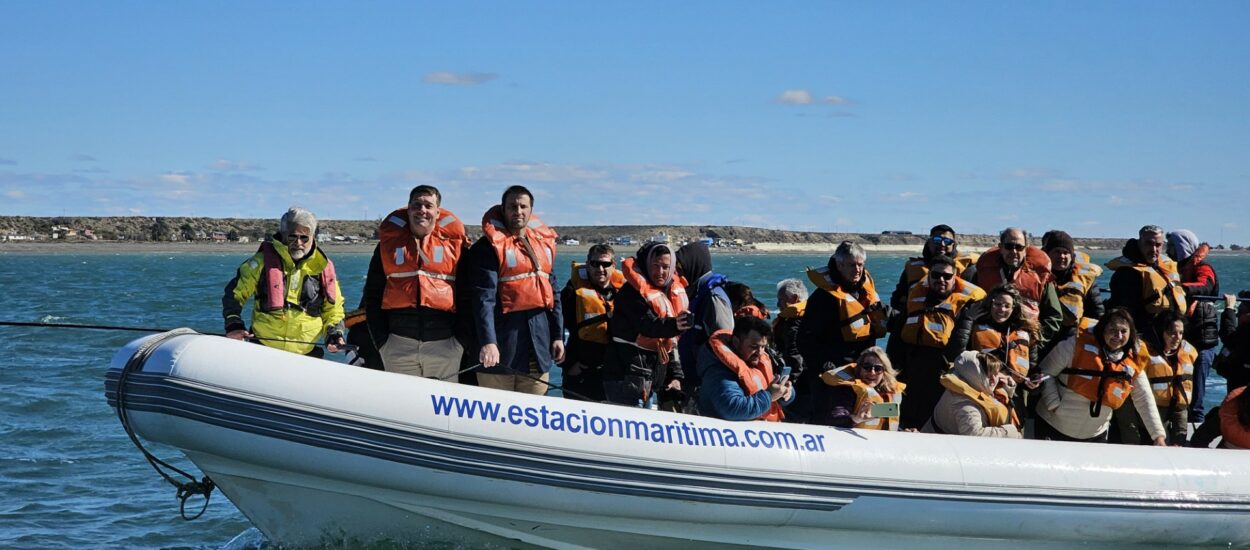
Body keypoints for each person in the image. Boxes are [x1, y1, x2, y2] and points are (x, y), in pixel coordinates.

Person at [362, 185, 467, 380]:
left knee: (440, 408)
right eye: (417, 205)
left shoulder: (456, 247)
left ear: (438, 211)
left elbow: (468, 294)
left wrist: (460, 342)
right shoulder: (387, 246)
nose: (422, 211)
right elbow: (372, 293)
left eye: (428, 205)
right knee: (399, 407)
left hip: (444, 347)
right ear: (408, 209)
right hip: (398, 346)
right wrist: (382, 342)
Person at [469, 185, 564, 394]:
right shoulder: (486, 248)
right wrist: (488, 342)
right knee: (494, 418)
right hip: (499, 353)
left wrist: (557, 336)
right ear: (503, 209)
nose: (518, 211)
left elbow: (553, 293)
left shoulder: (542, 246)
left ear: (531, 210)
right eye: (512, 206)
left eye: (523, 206)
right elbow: (483, 299)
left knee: (535, 418)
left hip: (537, 352)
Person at [223, 207, 345, 357]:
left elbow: (334, 309)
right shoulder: (261, 262)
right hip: (263, 349)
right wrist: (233, 324)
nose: (298, 242)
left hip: (306, 354)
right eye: (292, 237)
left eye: (304, 238)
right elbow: (235, 294)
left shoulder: (324, 269)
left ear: (312, 237)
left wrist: (334, 334)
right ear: (283, 235)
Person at [1034, 308, 1167, 445]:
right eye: (1112, 330)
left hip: (1095, 435)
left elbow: (1144, 398)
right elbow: (1045, 372)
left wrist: (1158, 436)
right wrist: (1054, 404)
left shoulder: (1133, 362)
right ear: (1102, 329)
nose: (1118, 336)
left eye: (1123, 331)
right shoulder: (1073, 346)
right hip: (1053, 426)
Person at [889, 254, 986, 430]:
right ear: (929, 276)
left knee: (935, 422)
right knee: (902, 417)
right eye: (935, 275)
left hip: (942, 372)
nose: (941, 279)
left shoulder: (968, 306)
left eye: (947, 276)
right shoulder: (915, 298)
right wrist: (890, 369)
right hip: (911, 370)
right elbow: (896, 337)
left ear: (955, 277)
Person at [797, 241, 890, 424]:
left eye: (860, 265)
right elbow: (804, 340)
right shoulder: (823, 297)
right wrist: (823, 364)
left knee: (866, 413)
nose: (857, 270)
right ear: (839, 265)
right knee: (830, 417)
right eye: (851, 265)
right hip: (832, 373)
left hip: (862, 369)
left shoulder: (866, 292)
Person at [603, 242, 690, 406]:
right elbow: (648, 325)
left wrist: (676, 376)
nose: (660, 272)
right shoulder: (631, 293)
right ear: (646, 264)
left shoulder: (666, 295)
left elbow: (670, 342)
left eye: (665, 267)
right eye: (655, 265)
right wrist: (676, 325)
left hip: (647, 381)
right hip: (625, 380)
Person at [1114, 309, 1197, 445]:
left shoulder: (1184, 356)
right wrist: (1131, 439)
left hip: (1166, 423)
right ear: (1160, 331)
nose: (1177, 338)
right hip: (1141, 424)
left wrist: (1179, 442)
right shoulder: (1141, 355)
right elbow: (1125, 403)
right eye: (1172, 333)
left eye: (1180, 333)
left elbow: (1181, 405)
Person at [1166, 229, 1221, 424]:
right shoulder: (1174, 269)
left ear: (1181, 247)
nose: (1168, 249)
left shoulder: (1203, 268)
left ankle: (1196, 427)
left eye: (1171, 246)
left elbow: (1205, 285)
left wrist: (1179, 288)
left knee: (1196, 390)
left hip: (1202, 338)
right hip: (1183, 335)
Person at [974, 228, 1062, 345]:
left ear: (1026, 249)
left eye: (1019, 247)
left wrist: (1036, 342)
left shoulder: (1041, 277)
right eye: (1009, 246)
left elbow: (1054, 317)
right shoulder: (983, 273)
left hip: (1024, 344)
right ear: (1000, 248)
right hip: (988, 341)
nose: (1014, 251)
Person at [558, 244, 624, 402]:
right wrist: (568, 364)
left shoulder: (624, 295)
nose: (600, 269)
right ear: (587, 265)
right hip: (581, 372)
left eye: (606, 264)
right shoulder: (571, 293)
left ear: (613, 266)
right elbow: (555, 328)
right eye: (595, 264)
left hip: (614, 374)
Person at [697, 316, 792, 421]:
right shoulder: (718, 371)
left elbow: (776, 391)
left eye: (763, 347)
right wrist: (769, 396)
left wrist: (785, 392)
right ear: (736, 342)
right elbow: (731, 408)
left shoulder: (761, 360)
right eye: (754, 346)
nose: (760, 353)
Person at [1105, 225, 1187, 346]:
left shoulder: (1164, 266)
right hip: (1144, 338)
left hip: (1167, 337)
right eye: (1149, 244)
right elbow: (1124, 312)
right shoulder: (1127, 273)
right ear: (1139, 243)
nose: (1154, 249)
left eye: (1158, 245)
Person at [673, 242, 733, 394]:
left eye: (680, 268)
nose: (678, 273)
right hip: (693, 376)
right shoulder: (696, 293)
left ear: (694, 265)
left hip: (706, 381)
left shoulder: (713, 297)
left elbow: (725, 340)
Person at [923, 351, 1021, 438]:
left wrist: (1007, 390)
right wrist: (1008, 432)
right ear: (976, 375)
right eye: (989, 375)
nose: (994, 379)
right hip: (941, 449)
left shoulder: (969, 379)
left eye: (996, 374)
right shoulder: (965, 405)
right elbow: (975, 435)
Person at [889, 224, 978, 312]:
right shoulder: (913, 268)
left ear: (953, 245)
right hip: (917, 318)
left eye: (947, 241)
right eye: (937, 240)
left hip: (953, 319)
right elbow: (897, 299)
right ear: (929, 243)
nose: (942, 244)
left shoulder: (969, 269)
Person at [813, 346, 904, 430]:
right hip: (849, 443)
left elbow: (885, 423)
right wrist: (856, 419)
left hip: (877, 443)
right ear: (859, 369)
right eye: (867, 367)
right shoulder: (847, 389)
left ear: (884, 372)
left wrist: (905, 433)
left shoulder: (887, 392)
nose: (872, 372)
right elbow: (834, 418)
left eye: (878, 368)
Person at [1040, 230, 1104, 349]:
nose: (1062, 256)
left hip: (1074, 338)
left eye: (1066, 252)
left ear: (1072, 256)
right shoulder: (1037, 278)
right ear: (1047, 254)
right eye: (1057, 252)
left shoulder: (1085, 279)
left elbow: (1097, 312)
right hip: (1044, 336)